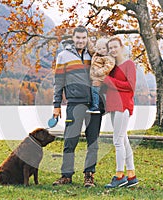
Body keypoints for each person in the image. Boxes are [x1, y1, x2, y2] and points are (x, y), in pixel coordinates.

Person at [52, 25, 104, 187]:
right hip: (75, 103)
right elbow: (58, 82)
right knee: (70, 140)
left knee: (93, 142)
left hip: (95, 105)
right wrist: (56, 105)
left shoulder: (94, 55)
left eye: (83, 38)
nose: (81, 41)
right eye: (78, 38)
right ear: (73, 38)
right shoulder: (63, 56)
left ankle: (89, 175)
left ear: (87, 38)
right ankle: (66, 175)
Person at [103, 36, 139, 188]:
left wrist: (107, 80)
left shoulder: (129, 64)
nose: (112, 50)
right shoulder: (111, 67)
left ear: (121, 47)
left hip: (123, 106)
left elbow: (130, 86)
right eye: (110, 48)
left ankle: (119, 176)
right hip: (112, 106)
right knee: (123, 139)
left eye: (114, 47)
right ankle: (131, 176)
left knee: (117, 141)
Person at [87, 38, 115, 113]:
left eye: (103, 48)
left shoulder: (109, 58)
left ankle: (95, 106)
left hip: (100, 78)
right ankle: (101, 105)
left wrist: (99, 72)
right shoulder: (96, 55)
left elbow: (108, 67)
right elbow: (91, 49)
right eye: (99, 49)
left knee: (95, 91)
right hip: (94, 77)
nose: (102, 50)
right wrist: (88, 40)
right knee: (95, 92)